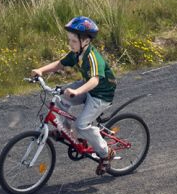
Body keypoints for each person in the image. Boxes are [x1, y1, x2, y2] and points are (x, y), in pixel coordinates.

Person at [31, 16, 118, 174]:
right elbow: (60, 64)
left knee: (82, 125)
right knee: (59, 99)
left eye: (73, 41)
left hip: (101, 95)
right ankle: (65, 131)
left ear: (85, 41)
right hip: (88, 88)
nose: (70, 44)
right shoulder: (77, 53)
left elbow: (95, 80)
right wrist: (41, 70)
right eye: (69, 40)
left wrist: (77, 91)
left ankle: (106, 154)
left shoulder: (93, 57)